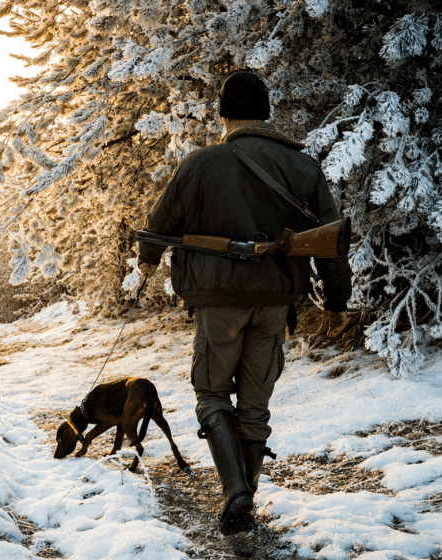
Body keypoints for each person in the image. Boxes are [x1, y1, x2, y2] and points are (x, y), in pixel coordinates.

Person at [136, 71, 353, 535]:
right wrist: (336, 299)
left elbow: (156, 224)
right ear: (267, 112)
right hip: (276, 302)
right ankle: (245, 498)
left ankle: (235, 491)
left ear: (223, 113)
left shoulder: (199, 163)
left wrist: (145, 264)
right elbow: (332, 242)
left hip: (217, 303)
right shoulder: (304, 167)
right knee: (255, 406)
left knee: (212, 393)